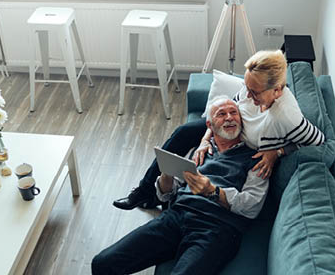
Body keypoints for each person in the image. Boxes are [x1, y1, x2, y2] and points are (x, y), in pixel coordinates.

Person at [113, 50, 324, 210]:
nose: (248, 95)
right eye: (247, 88)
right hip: (231, 127)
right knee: (183, 133)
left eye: (254, 91)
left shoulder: (287, 116)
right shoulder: (252, 87)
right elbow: (235, 102)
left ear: (277, 90)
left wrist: (277, 152)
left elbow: (319, 143)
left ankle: (165, 196)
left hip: (242, 147)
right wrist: (206, 138)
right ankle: (145, 190)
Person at [93, 97, 269, 275]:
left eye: (234, 113)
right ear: (210, 125)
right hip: (176, 217)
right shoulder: (198, 151)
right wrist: (166, 178)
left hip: (216, 229)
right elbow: (167, 194)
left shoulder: (256, 159)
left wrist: (214, 192)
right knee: (102, 263)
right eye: (221, 114)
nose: (229, 117)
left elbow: (252, 206)